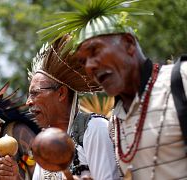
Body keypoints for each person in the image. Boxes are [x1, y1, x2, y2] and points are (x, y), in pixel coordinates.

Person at [38, 0, 187, 179]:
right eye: (83, 61)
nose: (90, 66)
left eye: (95, 51)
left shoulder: (181, 79)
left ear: (128, 43)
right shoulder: (115, 121)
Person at [0, 35, 120, 180]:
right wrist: (15, 177)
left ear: (61, 93)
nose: (29, 102)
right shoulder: (45, 143)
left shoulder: (94, 129)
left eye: (35, 93)